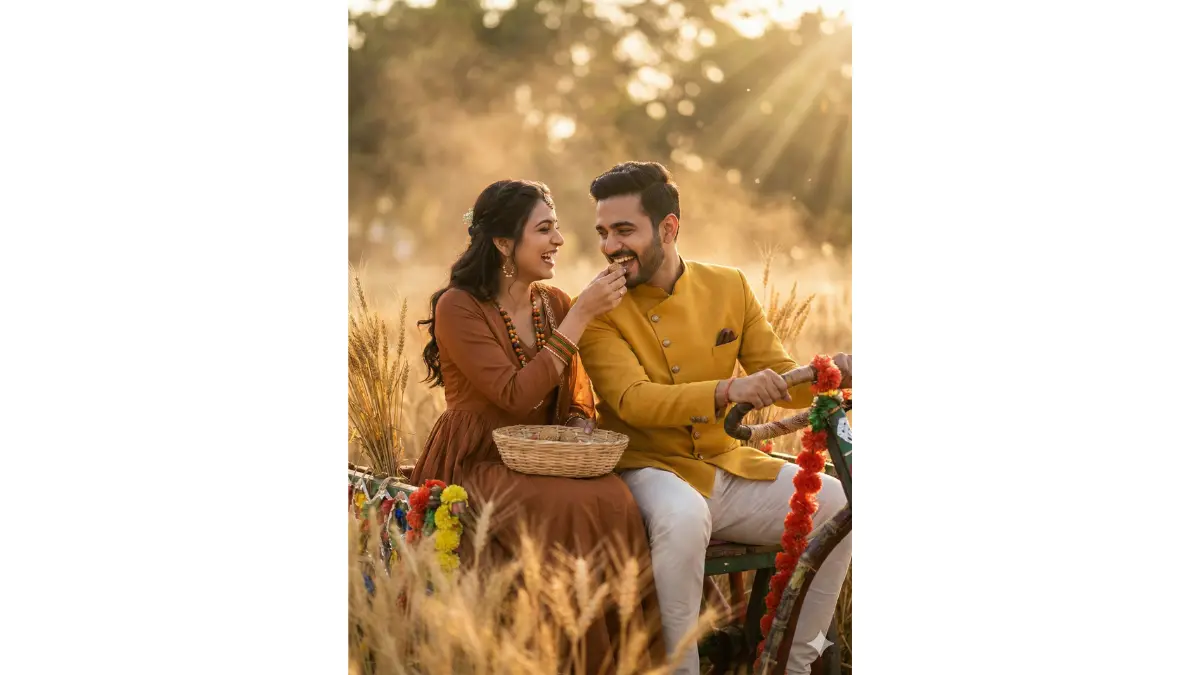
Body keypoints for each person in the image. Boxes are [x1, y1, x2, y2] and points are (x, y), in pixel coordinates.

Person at [577, 162, 853, 675]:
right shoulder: (599, 309)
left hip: (726, 463)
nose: (610, 246)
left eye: (623, 230)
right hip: (647, 469)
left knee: (836, 503)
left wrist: (830, 372)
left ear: (669, 228)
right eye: (602, 232)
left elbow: (779, 379)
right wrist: (728, 389)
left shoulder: (730, 285)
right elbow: (635, 400)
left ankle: (789, 663)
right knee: (683, 518)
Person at [409, 178, 663, 674]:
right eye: (544, 229)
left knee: (613, 497)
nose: (559, 241)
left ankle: (620, 660)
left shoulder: (553, 303)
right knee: (568, 504)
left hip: (543, 458)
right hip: (477, 462)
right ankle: (561, 656)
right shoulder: (458, 306)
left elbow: (575, 393)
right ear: (504, 242)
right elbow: (514, 393)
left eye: (558, 228)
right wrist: (583, 315)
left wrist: (575, 425)